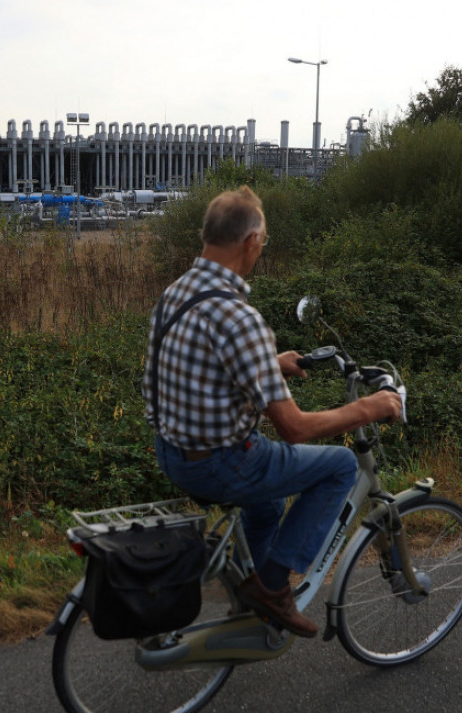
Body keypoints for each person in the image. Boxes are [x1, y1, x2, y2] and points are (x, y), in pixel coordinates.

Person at [142, 186, 402, 638]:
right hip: (222, 464)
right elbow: (295, 429)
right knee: (340, 465)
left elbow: (194, 370)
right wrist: (368, 407)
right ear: (251, 243)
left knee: (267, 507)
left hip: (172, 452)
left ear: (207, 236)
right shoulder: (240, 318)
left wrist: (268, 363)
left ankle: (255, 594)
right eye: (263, 241)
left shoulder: (176, 294)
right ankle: (275, 589)